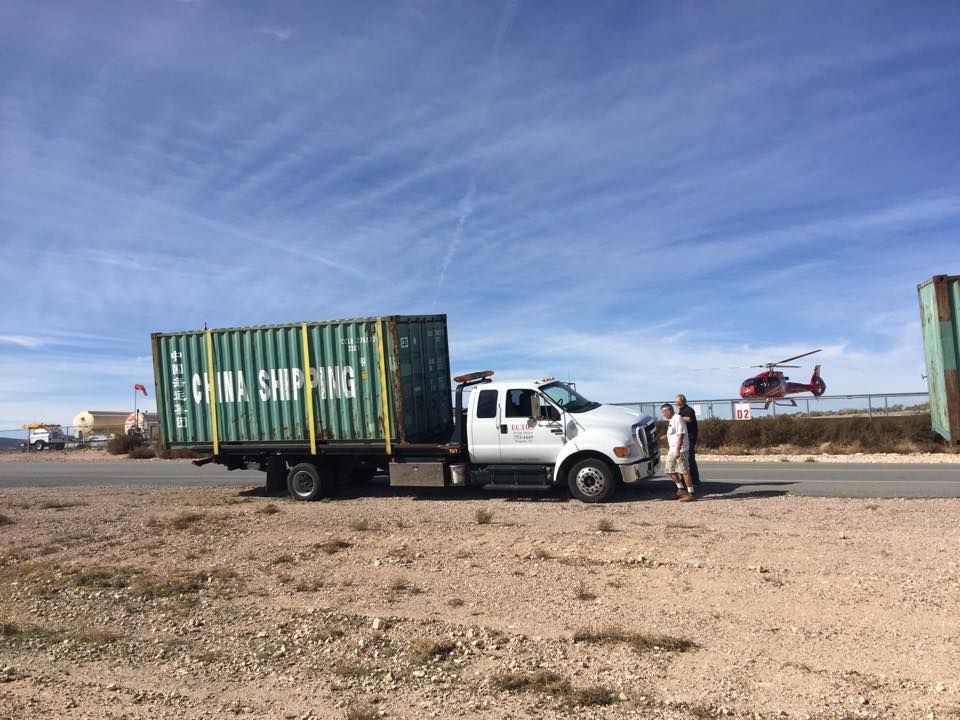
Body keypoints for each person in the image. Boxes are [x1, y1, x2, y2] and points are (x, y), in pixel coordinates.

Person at [660, 403, 696, 501]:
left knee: (684, 471)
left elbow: (681, 435)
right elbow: (674, 433)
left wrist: (678, 450)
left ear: (669, 410)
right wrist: (666, 436)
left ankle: (691, 493)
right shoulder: (672, 420)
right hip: (672, 449)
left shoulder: (678, 418)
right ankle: (681, 489)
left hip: (680, 449)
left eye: (664, 412)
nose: (663, 414)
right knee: (670, 470)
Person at [675, 394, 701, 487]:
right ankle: (686, 480)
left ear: (684, 401)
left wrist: (677, 418)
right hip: (683, 438)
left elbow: (689, 419)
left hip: (689, 438)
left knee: (689, 460)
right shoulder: (680, 412)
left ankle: (695, 481)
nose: (677, 403)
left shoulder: (688, 410)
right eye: (676, 401)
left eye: (679, 401)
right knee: (684, 461)